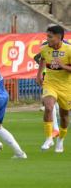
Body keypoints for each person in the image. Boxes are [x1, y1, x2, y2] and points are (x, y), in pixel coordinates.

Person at [36, 25, 71, 153]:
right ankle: (49, 137)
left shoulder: (69, 50)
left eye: (50, 37)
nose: (47, 39)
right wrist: (39, 74)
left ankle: (60, 140)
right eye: (47, 36)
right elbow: (43, 59)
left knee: (65, 116)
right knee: (49, 107)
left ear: (58, 37)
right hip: (50, 84)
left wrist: (62, 66)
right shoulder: (45, 48)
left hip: (66, 87)